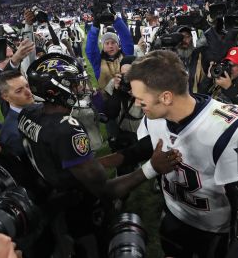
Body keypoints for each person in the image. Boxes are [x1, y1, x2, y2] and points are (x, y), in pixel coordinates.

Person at [18, 53, 179, 257]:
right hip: (77, 209)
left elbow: (74, 163)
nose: (80, 88)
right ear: (53, 90)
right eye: (73, 84)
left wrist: (132, 153)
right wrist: (151, 168)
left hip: (53, 200)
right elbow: (105, 189)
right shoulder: (66, 129)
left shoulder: (29, 113)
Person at [123, 50, 238, 257]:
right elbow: (140, 150)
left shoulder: (231, 128)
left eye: (140, 98)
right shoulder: (153, 116)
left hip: (213, 231)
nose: (137, 104)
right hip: (173, 213)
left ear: (166, 97)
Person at [85, 9, 134, 90]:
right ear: (103, 48)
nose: (110, 46)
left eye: (113, 43)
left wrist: (116, 19)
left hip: (126, 98)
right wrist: (95, 26)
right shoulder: (98, 62)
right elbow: (91, 50)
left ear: (118, 46)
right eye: (107, 43)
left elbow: (126, 38)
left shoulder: (125, 56)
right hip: (106, 99)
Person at [0, 70, 35, 156]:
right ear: (5, 97)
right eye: (19, 91)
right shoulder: (11, 133)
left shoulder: (41, 107)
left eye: (27, 86)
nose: (28, 92)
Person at [207, 47, 238, 112]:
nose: (228, 68)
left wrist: (229, 87)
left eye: (232, 65)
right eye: (226, 64)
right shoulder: (222, 73)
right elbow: (206, 95)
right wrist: (209, 78)